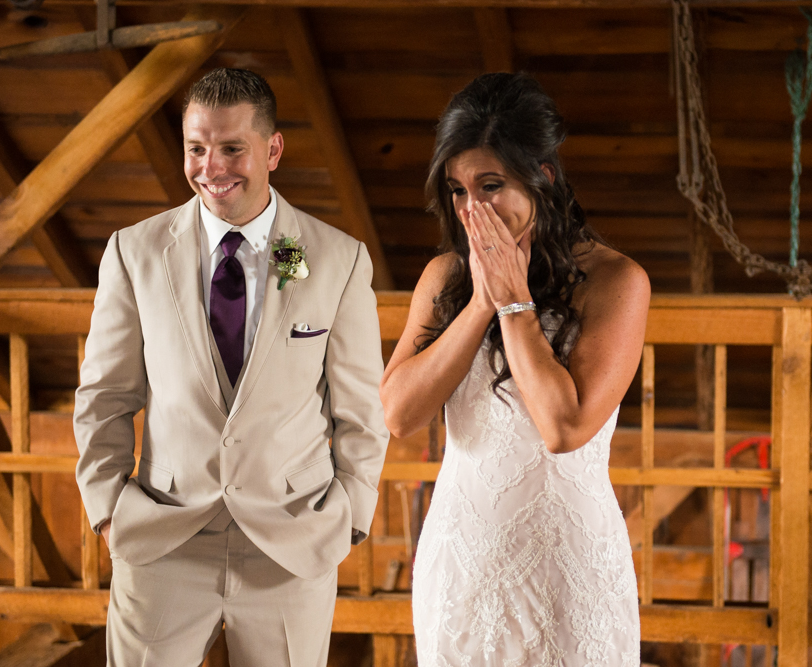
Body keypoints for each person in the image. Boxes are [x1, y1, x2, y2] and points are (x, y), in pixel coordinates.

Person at [74, 68, 389, 667]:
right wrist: (108, 511)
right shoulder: (135, 252)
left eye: (231, 149)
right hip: (163, 537)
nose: (211, 168)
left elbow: (360, 408)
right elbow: (104, 396)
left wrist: (350, 515)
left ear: (272, 149)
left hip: (292, 543)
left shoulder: (335, 260)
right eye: (196, 148)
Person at [380, 72, 649, 666]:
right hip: (462, 563)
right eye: (457, 190)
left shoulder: (617, 282)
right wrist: (479, 303)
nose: (472, 209)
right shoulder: (445, 279)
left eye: (491, 185)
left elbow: (563, 427)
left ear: (543, 177)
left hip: (566, 567)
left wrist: (514, 304)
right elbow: (399, 414)